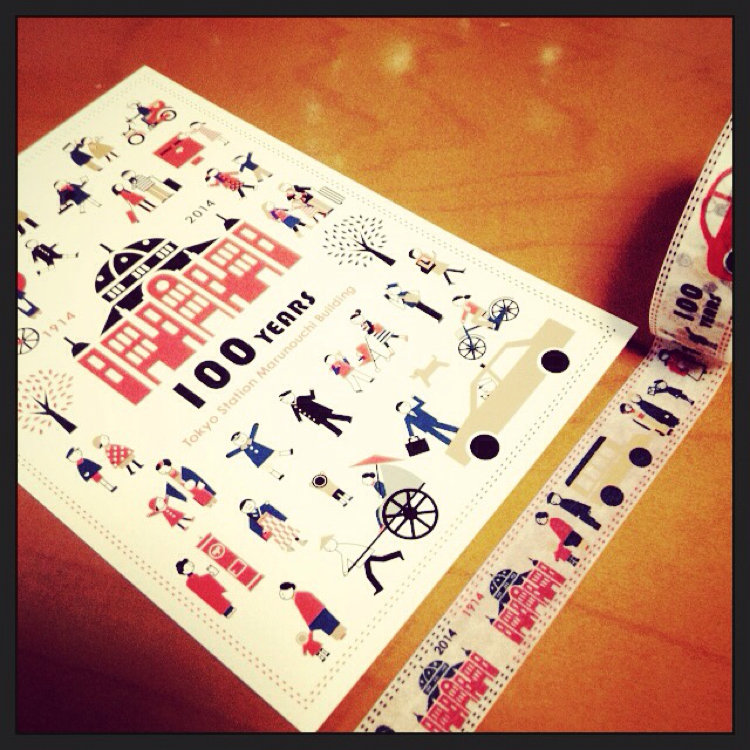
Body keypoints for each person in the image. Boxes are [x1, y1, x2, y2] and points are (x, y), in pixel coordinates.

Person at [320, 535, 403, 595]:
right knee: (380, 561)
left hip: (364, 557)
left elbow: (344, 559)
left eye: (328, 547)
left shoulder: (342, 549)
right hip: (364, 557)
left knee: (370, 572)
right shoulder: (341, 548)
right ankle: (397, 554)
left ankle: (379, 587)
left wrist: (345, 571)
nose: (329, 549)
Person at [279, 582, 346, 640]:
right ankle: (340, 636)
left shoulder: (300, 596)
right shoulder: (297, 598)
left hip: (318, 615)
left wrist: (310, 623)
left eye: (283, 593)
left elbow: (307, 610)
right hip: (317, 616)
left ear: (290, 589)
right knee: (329, 627)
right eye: (282, 595)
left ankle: (341, 635)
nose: (283, 596)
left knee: (331, 626)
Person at [225, 423, 292, 480]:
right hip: (258, 460)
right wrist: (229, 455)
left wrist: (255, 426)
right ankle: (278, 476)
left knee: (276, 454)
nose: (241, 439)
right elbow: (234, 452)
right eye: (238, 439)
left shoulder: (250, 440)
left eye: (240, 437)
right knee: (268, 468)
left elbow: (253, 432)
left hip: (264, 452)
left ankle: (288, 452)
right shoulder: (242, 448)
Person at [239, 498, 306, 552]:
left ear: (253, 502)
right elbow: (255, 528)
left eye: (249, 504)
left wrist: (283, 518)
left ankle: (300, 541)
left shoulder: (264, 507)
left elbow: (274, 512)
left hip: (277, 522)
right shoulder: (251, 521)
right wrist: (264, 534)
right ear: (244, 511)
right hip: (270, 530)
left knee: (289, 531)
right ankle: (288, 547)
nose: (248, 507)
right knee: (280, 538)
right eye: (246, 507)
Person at [279, 389, 352, 437]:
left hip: (319, 411)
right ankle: (338, 431)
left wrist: (311, 390)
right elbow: (296, 413)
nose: (285, 401)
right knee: (326, 424)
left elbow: (312, 397)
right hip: (314, 416)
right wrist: (299, 419)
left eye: (284, 399)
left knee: (333, 416)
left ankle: (347, 418)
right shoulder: (293, 405)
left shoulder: (300, 398)